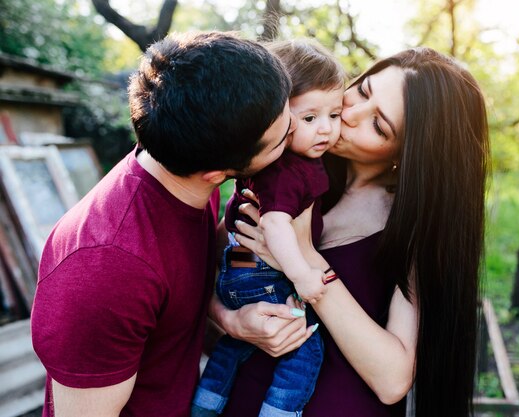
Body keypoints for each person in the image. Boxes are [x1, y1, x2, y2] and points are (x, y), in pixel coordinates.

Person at [29, 31, 316, 417]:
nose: (297, 130)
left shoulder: (187, 167)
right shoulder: (105, 268)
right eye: (283, 138)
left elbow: (174, 296)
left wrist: (229, 320)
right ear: (218, 173)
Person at [209, 47, 490, 417]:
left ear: (407, 153)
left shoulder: (416, 229)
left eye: (378, 125)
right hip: (241, 397)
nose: (350, 114)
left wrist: (306, 257)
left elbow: (393, 381)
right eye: (362, 91)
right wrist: (229, 321)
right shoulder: (283, 169)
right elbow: (203, 269)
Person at [192, 39, 345, 417]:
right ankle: (280, 411)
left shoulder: (273, 161)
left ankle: (206, 402)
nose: (325, 129)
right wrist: (304, 274)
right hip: (259, 273)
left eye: (335, 114)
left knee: (235, 345)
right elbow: (274, 225)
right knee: (306, 346)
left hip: (239, 269)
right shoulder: (288, 172)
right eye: (309, 118)